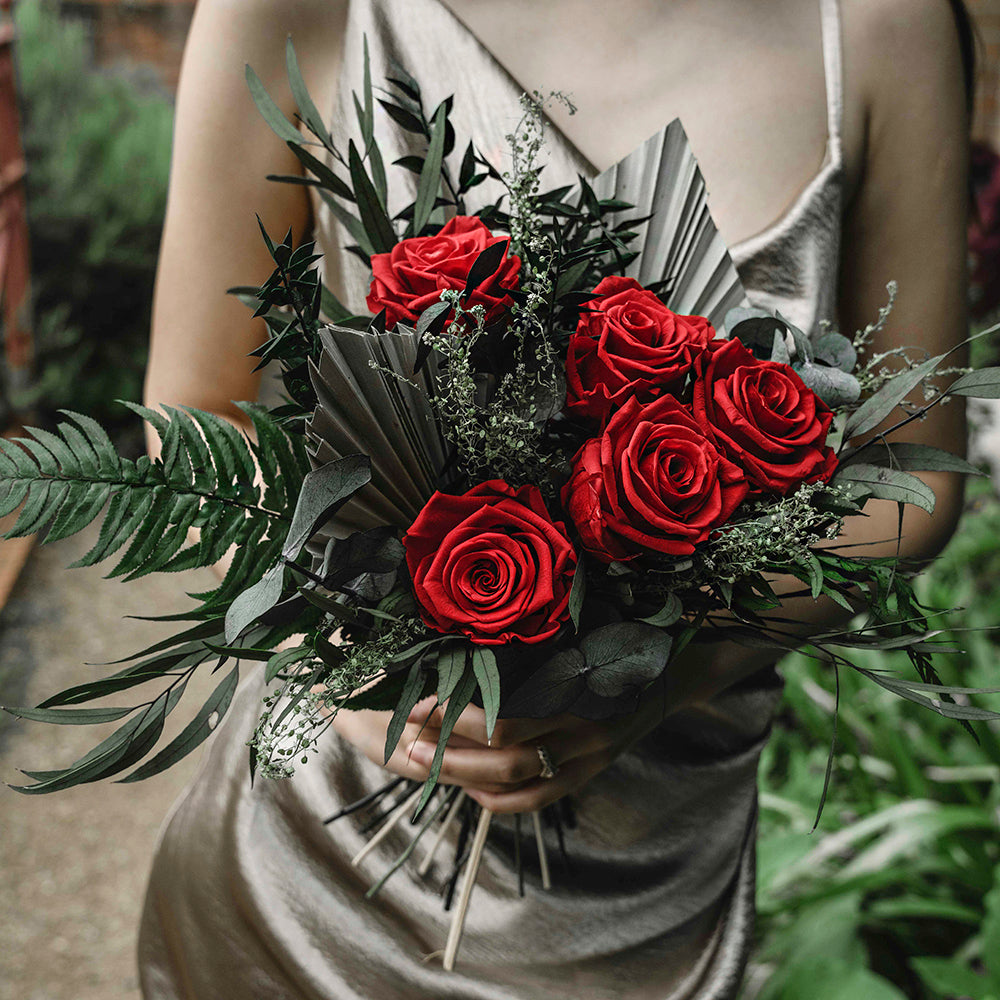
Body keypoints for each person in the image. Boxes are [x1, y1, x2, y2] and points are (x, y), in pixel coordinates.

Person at [138, 0, 973, 997]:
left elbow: (913, 470)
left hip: (648, 894)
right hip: (311, 886)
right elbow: (192, 421)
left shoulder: (881, 25)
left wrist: (668, 665)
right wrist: (345, 667)